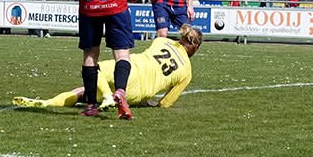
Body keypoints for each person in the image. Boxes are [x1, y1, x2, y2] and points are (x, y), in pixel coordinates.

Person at [13, 25, 202, 110]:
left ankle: (48, 103)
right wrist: (149, 102)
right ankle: (108, 98)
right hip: (137, 93)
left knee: (91, 74)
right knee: (89, 89)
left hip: (133, 69)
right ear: (195, 46)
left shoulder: (162, 40)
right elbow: (166, 103)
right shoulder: (187, 72)